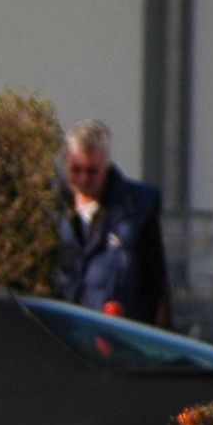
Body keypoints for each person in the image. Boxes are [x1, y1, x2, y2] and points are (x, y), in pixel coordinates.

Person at [53, 120, 172, 328]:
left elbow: (155, 279)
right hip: (62, 334)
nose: (82, 178)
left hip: (116, 337)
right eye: (75, 169)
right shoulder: (48, 205)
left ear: (106, 166)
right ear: (65, 163)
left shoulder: (138, 206)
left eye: (92, 171)